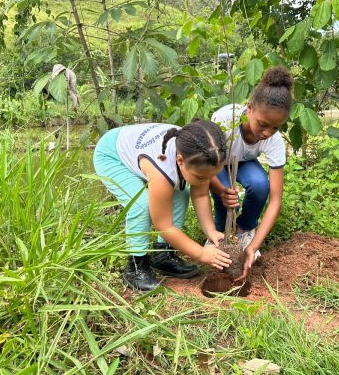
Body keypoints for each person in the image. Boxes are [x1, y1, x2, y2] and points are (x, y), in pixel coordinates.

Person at [94, 119, 232, 292]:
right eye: (201, 178)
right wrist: (201, 254)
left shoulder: (197, 149)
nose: (205, 182)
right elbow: (163, 225)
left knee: (181, 194)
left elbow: (201, 193)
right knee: (141, 204)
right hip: (112, 155)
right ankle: (135, 267)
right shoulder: (162, 169)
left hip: (141, 150)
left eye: (212, 176)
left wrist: (211, 231)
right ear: (180, 161)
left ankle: (163, 255)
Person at [210, 66, 293, 280]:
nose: (267, 133)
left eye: (275, 128)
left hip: (245, 162)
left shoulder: (273, 140)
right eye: (263, 124)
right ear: (249, 108)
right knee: (227, 199)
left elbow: (275, 200)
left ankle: (244, 231)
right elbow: (203, 166)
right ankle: (221, 238)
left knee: (260, 185)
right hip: (216, 163)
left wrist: (253, 246)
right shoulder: (224, 121)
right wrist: (222, 190)